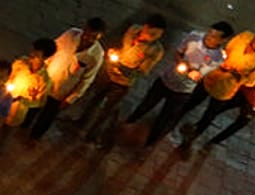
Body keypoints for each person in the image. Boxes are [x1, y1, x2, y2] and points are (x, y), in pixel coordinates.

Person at [123, 21, 230, 147]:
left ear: (222, 40)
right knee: (145, 105)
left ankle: (149, 144)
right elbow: (178, 52)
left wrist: (191, 71)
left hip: (182, 91)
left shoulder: (218, 57)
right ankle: (126, 123)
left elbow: (200, 73)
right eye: (209, 33)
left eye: (214, 37)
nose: (208, 37)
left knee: (164, 119)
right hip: (166, 79)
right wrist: (181, 62)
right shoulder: (194, 36)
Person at [176, 21, 255, 153]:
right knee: (192, 100)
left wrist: (237, 75)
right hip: (213, 75)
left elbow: (251, 81)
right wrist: (221, 62)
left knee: (209, 115)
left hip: (226, 88)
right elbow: (227, 48)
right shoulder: (245, 36)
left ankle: (191, 139)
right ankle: (173, 119)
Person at [76, 16, 166, 145]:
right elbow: (120, 44)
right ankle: (81, 121)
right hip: (108, 72)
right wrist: (114, 52)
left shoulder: (156, 50)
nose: (154, 37)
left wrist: (124, 69)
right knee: (94, 98)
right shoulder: (133, 30)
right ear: (145, 27)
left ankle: (93, 132)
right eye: (151, 33)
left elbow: (143, 71)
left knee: (107, 109)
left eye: (158, 35)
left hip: (123, 83)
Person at [31, 18, 105, 139]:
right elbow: (53, 50)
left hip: (62, 91)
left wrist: (71, 98)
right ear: (84, 29)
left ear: (99, 37)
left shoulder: (97, 55)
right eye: (87, 34)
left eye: (93, 37)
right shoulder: (71, 34)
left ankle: (34, 138)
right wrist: (39, 69)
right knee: (33, 107)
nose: (88, 39)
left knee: (47, 117)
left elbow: (87, 80)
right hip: (46, 80)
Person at [1, 38, 56, 132]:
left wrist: (26, 98)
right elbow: (7, 77)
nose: (32, 54)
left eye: (37, 54)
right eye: (33, 50)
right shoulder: (21, 63)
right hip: (2, 103)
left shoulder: (44, 80)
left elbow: (38, 102)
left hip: (16, 113)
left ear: (45, 58)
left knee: (5, 133)